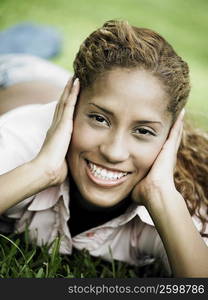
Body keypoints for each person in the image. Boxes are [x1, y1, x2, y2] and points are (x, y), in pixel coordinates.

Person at [0, 20, 207, 277]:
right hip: (19, 76)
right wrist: (40, 171)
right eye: (99, 119)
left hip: (57, 83)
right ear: (72, 107)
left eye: (143, 131)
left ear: (171, 135)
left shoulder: (181, 195)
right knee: (21, 47)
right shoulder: (22, 141)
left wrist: (161, 196)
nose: (114, 152)